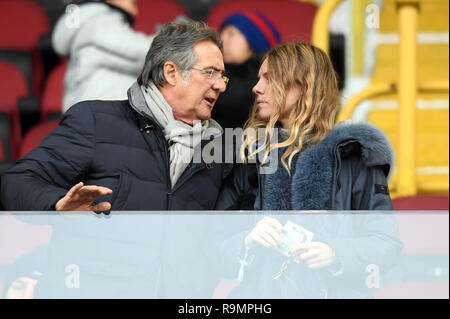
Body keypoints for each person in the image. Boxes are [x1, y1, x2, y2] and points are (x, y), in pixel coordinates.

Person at [0, 21, 249, 298]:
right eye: (210, 72)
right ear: (171, 73)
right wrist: (58, 205)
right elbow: (17, 181)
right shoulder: (96, 121)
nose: (221, 85)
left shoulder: (218, 149)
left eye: (223, 76)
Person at [221, 42, 403, 298]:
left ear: (303, 86)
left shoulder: (355, 155)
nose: (256, 87)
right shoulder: (249, 155)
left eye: (269, 79)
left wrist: (336, 254)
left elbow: (387, 244)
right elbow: (212, 241)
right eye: (259, 78)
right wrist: (246, 240)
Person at [52, 0, 154, 112]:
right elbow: (144, 52)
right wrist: (173, 35)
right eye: (133, 3)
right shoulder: (100, 22)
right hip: (103, 120)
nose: (136, 12)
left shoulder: (91, 24)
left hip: (96, 118)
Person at [211, 11, 281, 129]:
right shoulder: (215, 70)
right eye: (222, 33)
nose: (222, 40)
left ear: (253, 41)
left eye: (231, 34)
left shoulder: (267, 78)